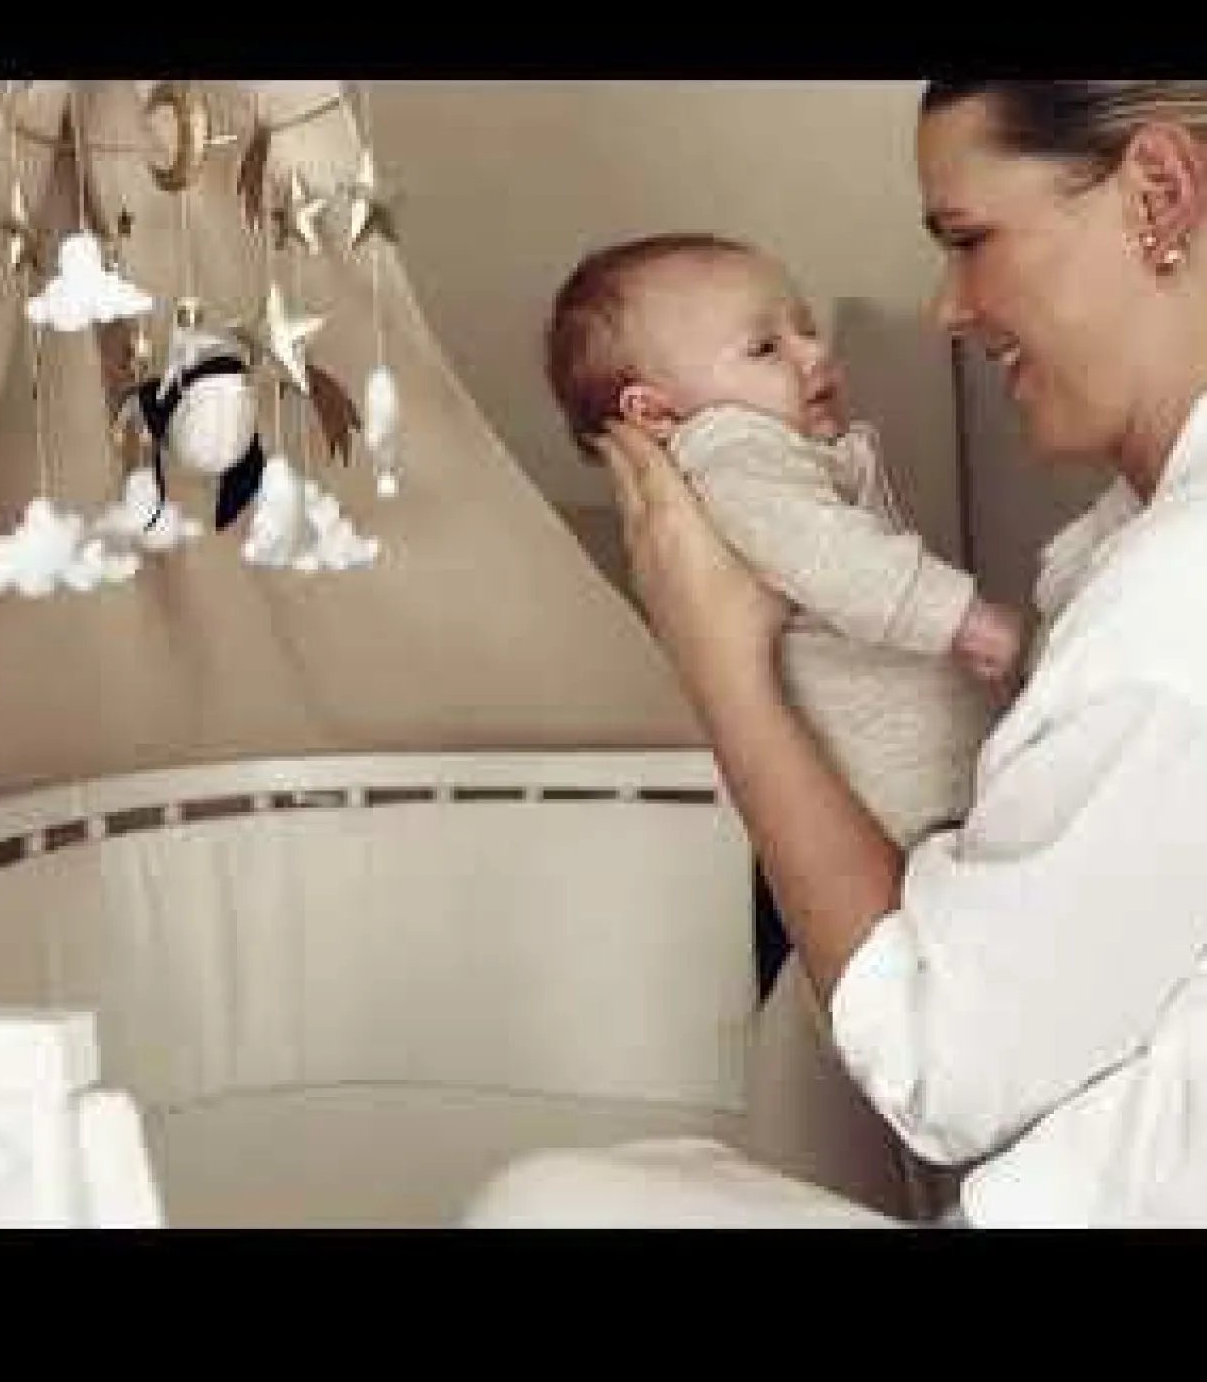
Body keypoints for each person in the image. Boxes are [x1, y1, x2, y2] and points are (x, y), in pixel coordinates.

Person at [473, 80, 1207, 1228]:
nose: (946, 307)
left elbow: (939, 1068)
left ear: (1157, 192)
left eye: (968, 239)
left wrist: (721, 666)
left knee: (538, 1203)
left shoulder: (1169, 609)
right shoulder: (1131, 557)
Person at [543, 231, 1025, 1218]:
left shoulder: (765, 453)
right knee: (939, 1076)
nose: (812, 353)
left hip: (912, 813)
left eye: (803, 328)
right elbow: (825, 557)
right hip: (895, 816)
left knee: (903, 1081)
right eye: (765, 346)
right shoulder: (729, 455)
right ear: (654, 411)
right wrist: (965, 618)